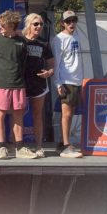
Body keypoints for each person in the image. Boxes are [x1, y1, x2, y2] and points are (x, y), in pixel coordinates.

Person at [0, 10, 28, 160]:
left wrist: (18, 78)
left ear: (11, 25)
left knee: (18, 114)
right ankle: (2, 147)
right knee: (1, 114)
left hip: (18, 84)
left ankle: (20, 147)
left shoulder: (22, 42)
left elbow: (23, 64)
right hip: (1, 84)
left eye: (2, 25)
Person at [21, 13, 55, 158]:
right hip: (21, 83)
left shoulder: (44, 43)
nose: (39, 26)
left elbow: (51, 64)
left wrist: (49, 72)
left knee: (37, 115)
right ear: (28, 25)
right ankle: (18, 146)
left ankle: (39, 147)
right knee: (18, 115)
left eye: (41, 24)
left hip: (39, 84)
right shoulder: (20, 41)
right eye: (36, 24)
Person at [52, 10, 84, 159]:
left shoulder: (76, 35)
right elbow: (56, 63)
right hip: (66, 80)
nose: (72, 23)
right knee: (66, 113)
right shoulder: (58, 39)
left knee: (71, 114)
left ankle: (64, 143)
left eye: (74, 20)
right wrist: (58, 83)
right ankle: (65, 146)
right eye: (68, 21)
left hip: (76, 80)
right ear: (62, 23)